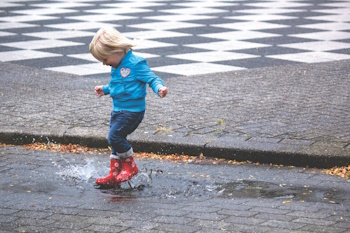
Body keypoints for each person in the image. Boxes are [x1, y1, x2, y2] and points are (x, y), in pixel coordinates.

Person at [89, 26, 168, 187]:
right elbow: (117, 86)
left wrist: (159, 88)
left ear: (117, 51)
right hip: (117, 110)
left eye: (104, 59)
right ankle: (115, 172)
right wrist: (105, 89)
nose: (104, 63)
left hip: (132, 112)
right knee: (115, 141)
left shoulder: (136, 63)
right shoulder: (116, 66)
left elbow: (152, 78)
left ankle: (130, 166)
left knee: (114, 137)